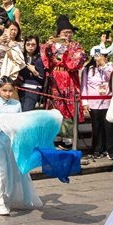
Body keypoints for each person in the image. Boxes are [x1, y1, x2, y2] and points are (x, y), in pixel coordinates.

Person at [0, 79, 39, 216]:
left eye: (10, 90)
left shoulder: (16, 104)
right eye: (4, 90)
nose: (7, 93)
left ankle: (7, 198)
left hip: (12, 141)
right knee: (1, 171)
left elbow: (19, 122)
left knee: (11, 170)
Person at [42, 16, 86, 149]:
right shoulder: (52, 45)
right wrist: (48, 46)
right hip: (54, 77)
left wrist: (68, 49)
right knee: (55, 107)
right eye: (64, 33)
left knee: (68, 107)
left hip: (69, 79)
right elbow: (46, 61)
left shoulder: (75, 46)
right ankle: (56, 136)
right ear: (58, 34)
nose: (67, 35)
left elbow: (76, 63)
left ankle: (67, 138)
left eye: (69, 32)